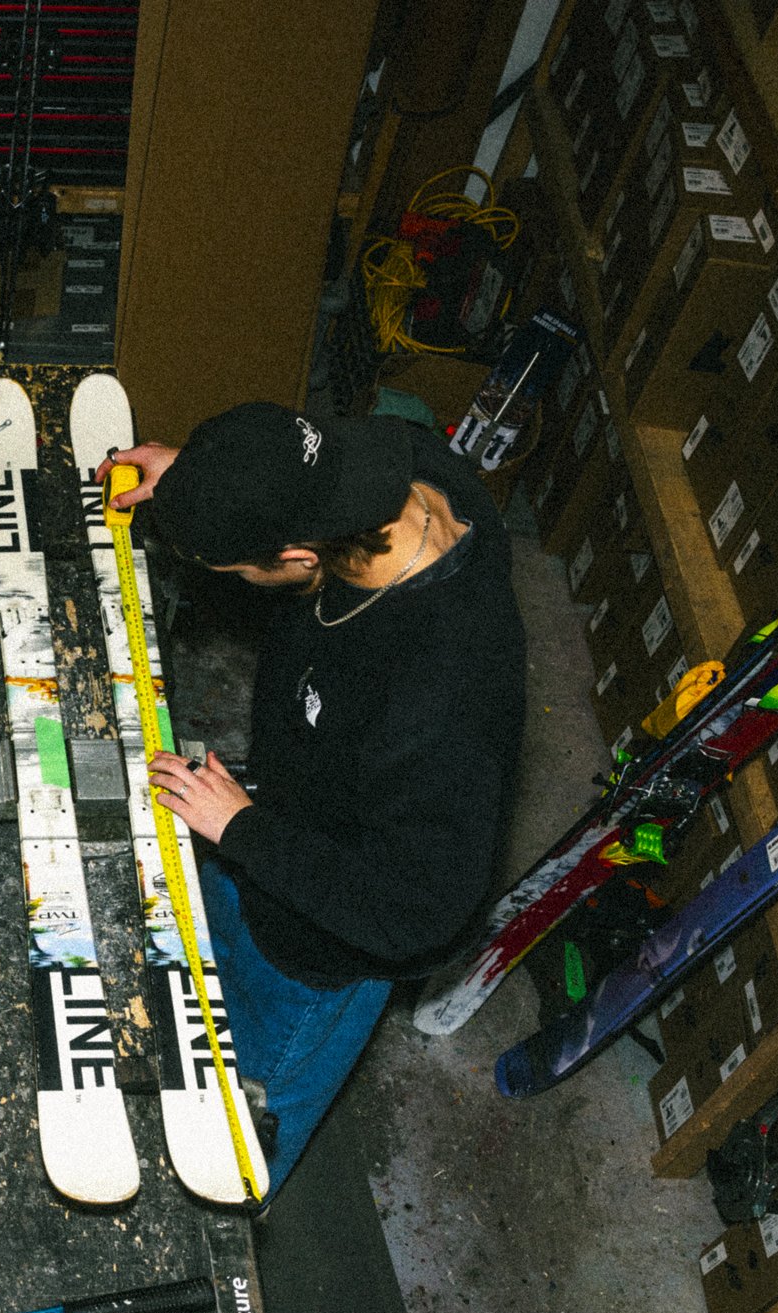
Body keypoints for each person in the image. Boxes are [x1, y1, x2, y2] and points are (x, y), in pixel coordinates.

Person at [102, 401, 527, 1196]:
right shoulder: (395, 464)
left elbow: (417, 911)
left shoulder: (443, 701)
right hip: (274, 819)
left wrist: (241, 829)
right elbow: (291, 463)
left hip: (319, 946)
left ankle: (228, 1203)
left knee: (239, 1124)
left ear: (298, 554)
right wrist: (201, 482)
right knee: (199, 968)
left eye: (239, 569)